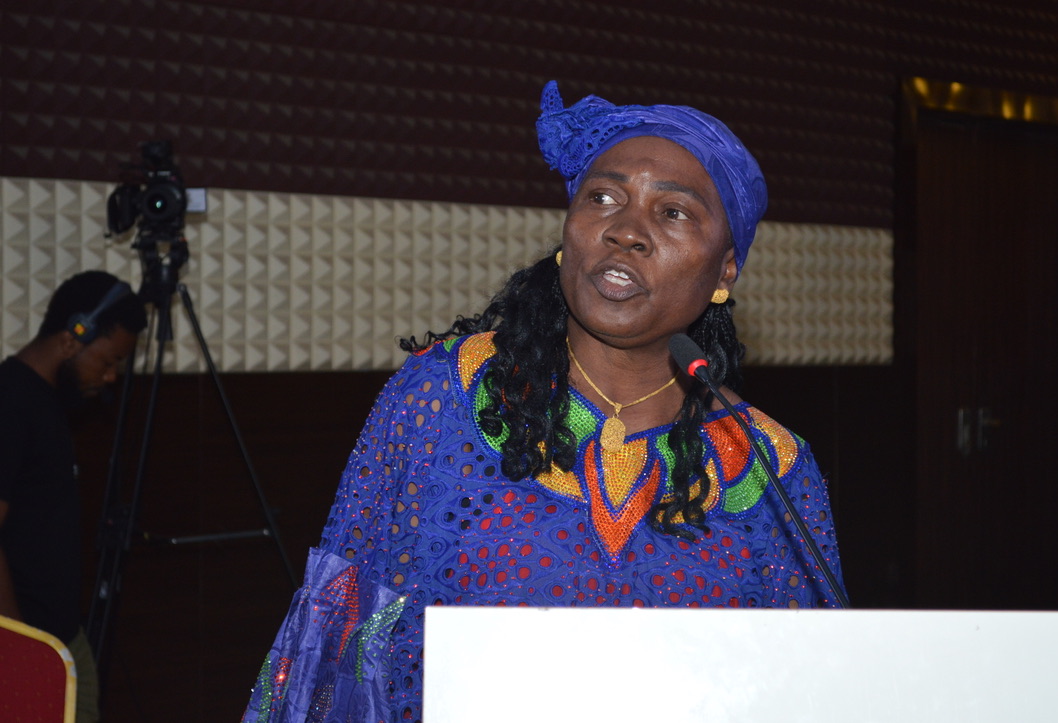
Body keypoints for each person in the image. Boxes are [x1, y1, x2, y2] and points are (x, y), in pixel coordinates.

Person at [243, 81, 847, 723]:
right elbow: (339, 645)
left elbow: (809, 692)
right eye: (603, 198)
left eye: (673, 212)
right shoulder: (444, 396)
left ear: (724, 270)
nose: (626, 231)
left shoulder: (771, 468)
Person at [0, 270, 147, 723]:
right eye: (108, 360)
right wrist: (20, 646)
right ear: (72, 338)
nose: (110, 376)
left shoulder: (46, 401)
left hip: (60, 635)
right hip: (29, 641)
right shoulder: (11, 401)